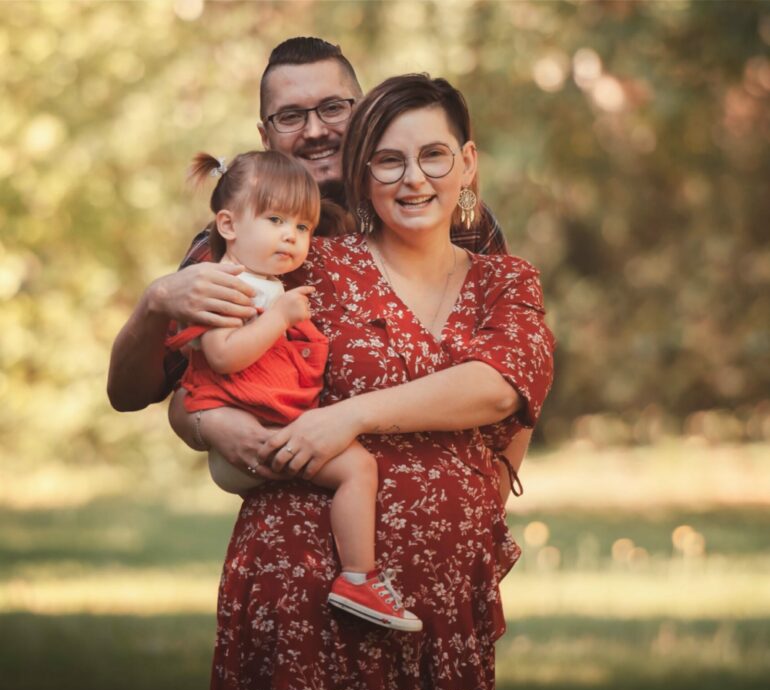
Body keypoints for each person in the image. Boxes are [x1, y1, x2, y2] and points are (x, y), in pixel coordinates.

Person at [169, 73, 555, 690]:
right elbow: (202, 376)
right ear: (360, 170)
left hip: (441, 595)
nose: (414, 178)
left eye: (434, 155)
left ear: (467, 163)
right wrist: (206, 424)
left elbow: (504, 386)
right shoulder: (306, 263)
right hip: (304, 589)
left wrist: (348, 419)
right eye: (388, 159)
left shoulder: (506, 280)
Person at [107, 35, 532, 499]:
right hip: (305, 518)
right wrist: (156, 305)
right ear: (265, 137)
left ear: (364, 115)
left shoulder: (445, 214)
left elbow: (512, 369)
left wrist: (488, 501)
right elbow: (152, 391)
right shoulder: (248, 248)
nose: (314, 130)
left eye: (333, 107)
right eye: (290, 116)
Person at [169, 149, 421, 633]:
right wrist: (280, 318)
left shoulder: (261, 282)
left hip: (263, 422)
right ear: (228, 225)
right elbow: (221, 355)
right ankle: (359, 578)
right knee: (358, 468)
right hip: (247, 431)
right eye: (275, 219)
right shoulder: (223, 285)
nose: (291, 234)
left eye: (303, 227)